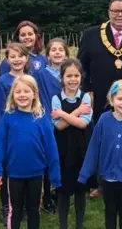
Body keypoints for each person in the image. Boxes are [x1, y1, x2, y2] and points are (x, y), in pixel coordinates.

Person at [78, 80, 122, 229]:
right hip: (108, 178)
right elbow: (93, 149)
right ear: (111, 100)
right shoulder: (104, 120)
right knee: (110, 212)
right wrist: (84, 174)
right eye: (120, 99)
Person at [0, 75, 61, 229]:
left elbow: (51, 148)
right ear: (13, 95)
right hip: (14, 174)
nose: (22, 95)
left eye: (26, 91)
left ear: (35, 94)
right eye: (18, 92)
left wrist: (55, 176)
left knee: (33, 210)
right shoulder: (8, 117)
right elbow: (1, 145)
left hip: (36, 174)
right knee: (14, 210)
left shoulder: (41, 118)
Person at [51, 59, 93, 229]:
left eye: (76, 75)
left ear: (81, 77)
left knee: (80, 189)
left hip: (81, 149)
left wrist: (63, 114)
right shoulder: (56, 98)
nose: (73, 79)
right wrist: (76, 112)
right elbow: (59, 126)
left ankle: (79, 224)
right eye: (69, 76)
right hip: (62, 149)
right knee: (63, 189)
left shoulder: (85, 98)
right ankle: (63, 224)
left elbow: (83, 124)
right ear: (62, 77)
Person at [0, 42, 30, 225]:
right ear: (7, 59)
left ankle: (23, 206)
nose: (17, 60)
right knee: (8, 171)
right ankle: (7, 206)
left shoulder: (31, 79)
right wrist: (0, 135)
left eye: (20, 56)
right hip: (9, 133)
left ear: (26, 58)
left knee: (23, 168)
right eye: (12, 56)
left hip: (27, 133)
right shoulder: (2, 81)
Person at [33, 37, 69, 214]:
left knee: (64, 158)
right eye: (53, 50)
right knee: (48, 161)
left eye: (60, 50)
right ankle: (46, 197)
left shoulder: (70, 74)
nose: (57, 53)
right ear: (47, 55)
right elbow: (39, 99)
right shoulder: (41, 75)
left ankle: (61, 192)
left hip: (67, 122)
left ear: (66, 54)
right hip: (48, 123)